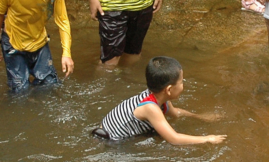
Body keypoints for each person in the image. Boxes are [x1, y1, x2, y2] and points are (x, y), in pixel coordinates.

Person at [92, 56, 226, 145]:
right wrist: (207, 139)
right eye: (181, 82)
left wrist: (200, 117)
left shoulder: (158, 97)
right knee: (161, 140)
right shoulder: (150, 108)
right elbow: (174, 139)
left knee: (157, 133)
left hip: (109, 131)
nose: (183, 85)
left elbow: (176, 114)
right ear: (168, 90)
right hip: (111, 141)